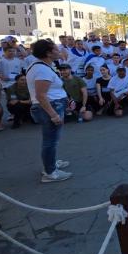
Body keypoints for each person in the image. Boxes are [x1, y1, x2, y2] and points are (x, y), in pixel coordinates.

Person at [26, 40, 72, 182]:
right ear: (48, 53)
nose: (59, 51)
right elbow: (41, 95)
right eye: (56, 49)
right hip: (50, 107)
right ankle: (50, 172)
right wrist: (53, 115)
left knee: (51, 140)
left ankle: (51, 163)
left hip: (53, 104)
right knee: (50, 141)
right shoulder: (42, 70)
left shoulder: (42, 66)